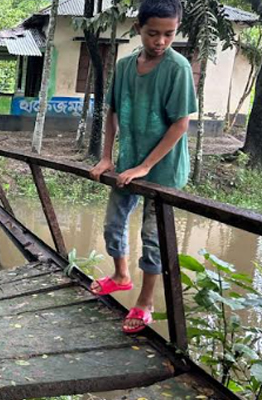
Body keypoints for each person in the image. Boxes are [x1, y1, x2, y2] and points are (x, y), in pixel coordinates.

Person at [88, 0, 197, 334]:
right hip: (127, 162)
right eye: (153, 33)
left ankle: (145, 302)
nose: (160, 41)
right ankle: (121, 276)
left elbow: (181, 124)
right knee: (112, 224)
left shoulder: (178, 68)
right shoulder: (124, 67)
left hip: (162, 169)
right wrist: (107, 156)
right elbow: (112, 112)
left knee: (152, 237)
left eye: (169, 34)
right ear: (138, 29)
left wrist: (147, 166)